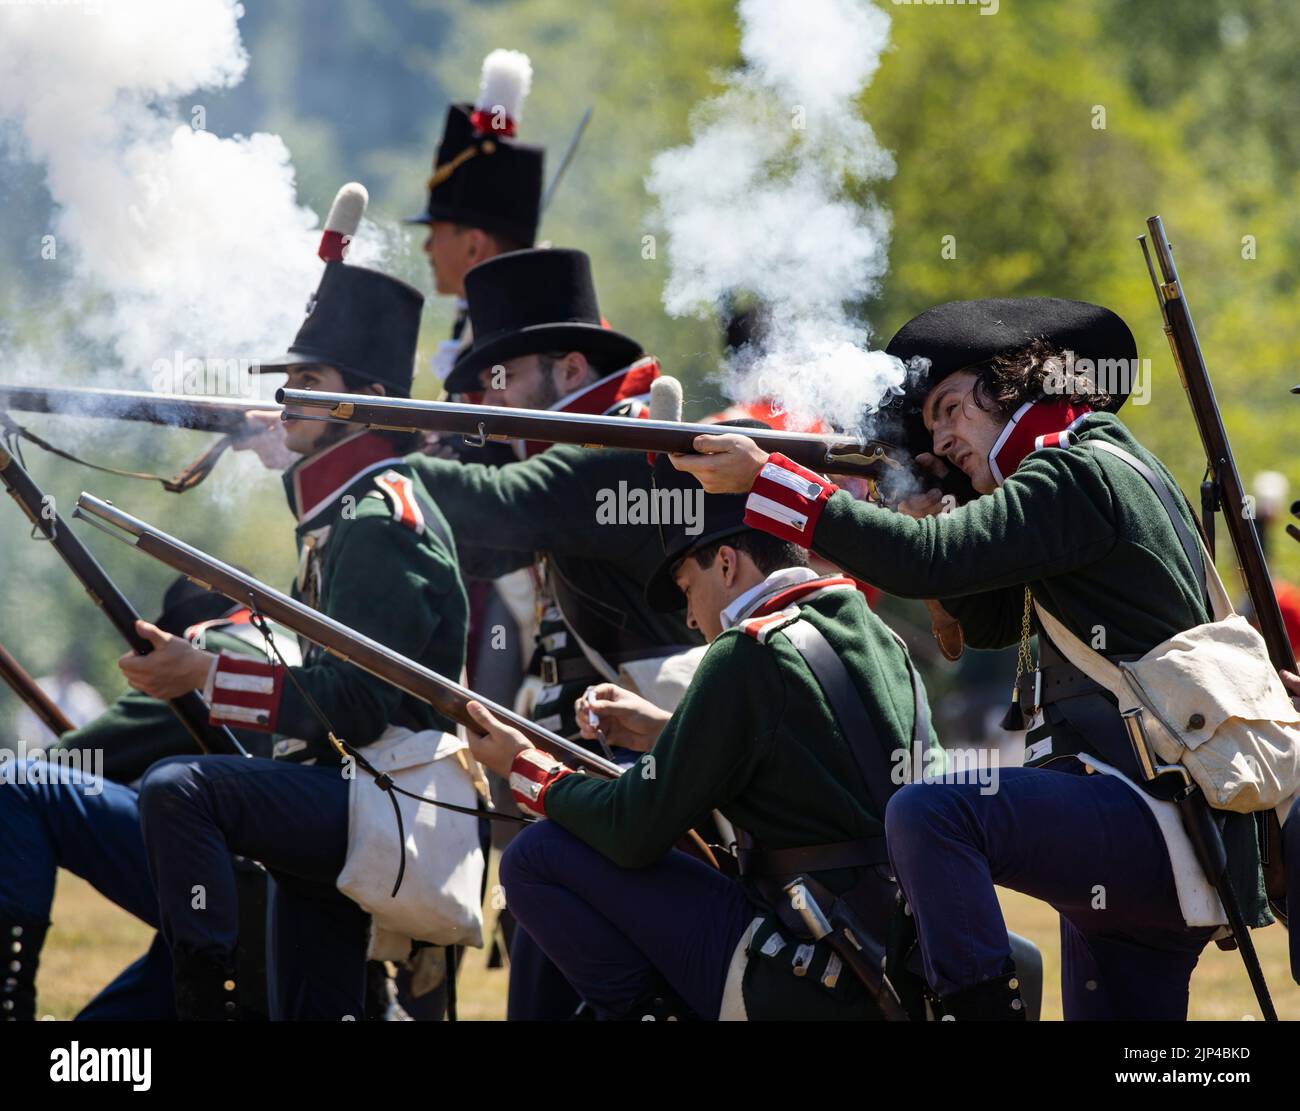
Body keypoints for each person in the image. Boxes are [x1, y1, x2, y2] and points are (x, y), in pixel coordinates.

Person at [670, 297, 1273, 1019]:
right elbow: (974, 620)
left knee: (932, 812)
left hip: (1150, 804)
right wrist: (932, 510)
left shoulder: (1077, 470)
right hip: (1146, 818)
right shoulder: (1079, 474)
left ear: (1010, 383)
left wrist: (770, 479)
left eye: (952, 408)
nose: (946, 436)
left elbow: (928, 564)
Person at [459, 437, 937, 1019]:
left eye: (688, 587)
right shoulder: (871, 633)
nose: (688, 617)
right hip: (898, 949)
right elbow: (814, 755)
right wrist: (668, 731)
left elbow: (631, 828)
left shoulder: (749, 650)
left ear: (728, 564)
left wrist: (525, 767)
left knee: (535, 857)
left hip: (802, 968)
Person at [127, 260, 475, 1020]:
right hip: (346, 793)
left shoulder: (378, 522)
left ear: (368, 404)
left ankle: (204, 1006)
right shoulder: (343, 512)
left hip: (386, 795)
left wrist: (206, 674)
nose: (287, 397)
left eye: (309, 379)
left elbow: (356, 705)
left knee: (176, 788)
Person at [402, 246, 704, 1019]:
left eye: (502, 380)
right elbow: (466, 538)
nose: (488, 398)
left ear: (571, 370)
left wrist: (362, 437)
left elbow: (496, 510)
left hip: (633, 772)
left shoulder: (613, 449)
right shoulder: (583, 451)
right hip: (598, 768)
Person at [0, 580, 275, 1022]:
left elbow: (72, 761)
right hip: (269, 924)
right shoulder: (288, 649)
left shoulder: (209, 649)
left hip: (230, 899)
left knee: (17, 784)